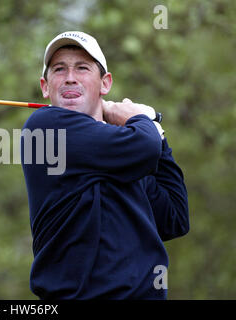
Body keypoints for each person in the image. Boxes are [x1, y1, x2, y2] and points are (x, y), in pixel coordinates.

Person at [20, 31, 189, 299]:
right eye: (59, 69)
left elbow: (174, 218)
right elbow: (144, 146)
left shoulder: (125, 151)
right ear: (45, 86)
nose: (70, 77)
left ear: (105, 83)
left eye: (82, 68)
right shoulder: (44, 127)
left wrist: (159, 134)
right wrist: (142, 120)